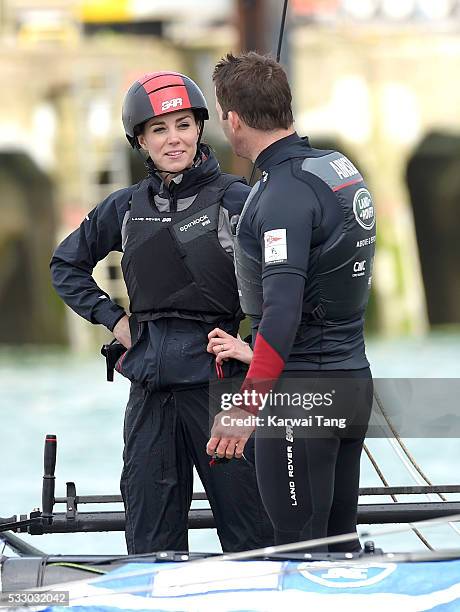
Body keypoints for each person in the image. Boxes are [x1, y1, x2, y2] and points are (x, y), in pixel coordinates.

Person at [50, 71, 273, 554]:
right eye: (159, 129)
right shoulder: (125, 207)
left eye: (182, 125)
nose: (173, 139)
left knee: (255, 538)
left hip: (221, 391)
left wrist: (254, 346)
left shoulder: (239, 200)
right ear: (141, 141)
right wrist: (113, 319)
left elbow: (289, 286)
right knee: (149, 544)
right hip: (150, 392)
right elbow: (65, 265)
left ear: (199, 129)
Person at [207, 52, 376, 551]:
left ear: (232, 119)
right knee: (340, 554)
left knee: (297, 554)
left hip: (301, 396)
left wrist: (246, 405)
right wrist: (253, 350)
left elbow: (284, 310)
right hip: (351, 382)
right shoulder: (336, 168)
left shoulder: (283, 193)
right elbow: (328, 286)